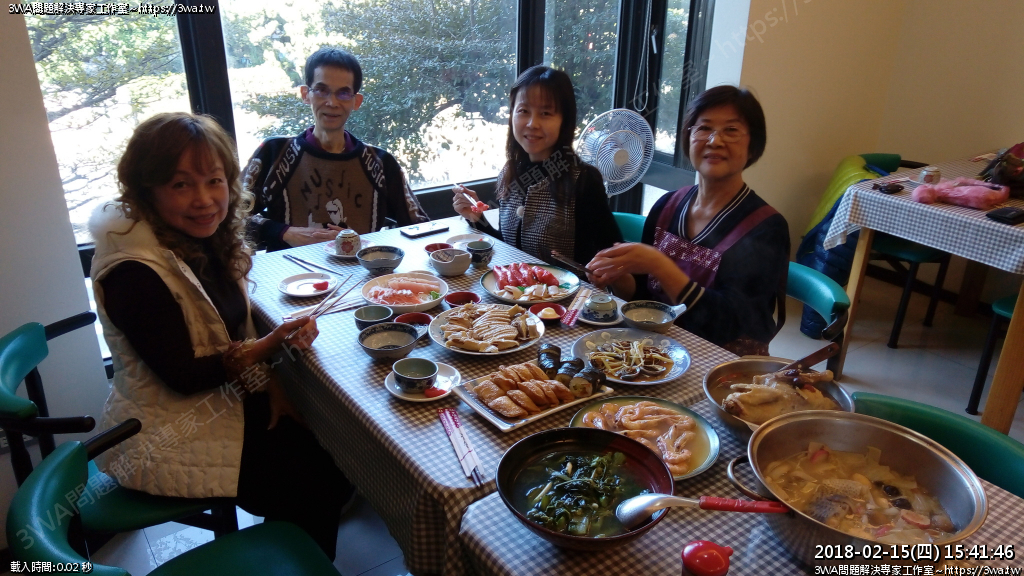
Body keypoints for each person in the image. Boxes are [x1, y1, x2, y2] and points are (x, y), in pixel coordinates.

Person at [89, 112, 350, 559]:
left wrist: (272, 382)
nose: (205, 200)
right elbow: (184, 376)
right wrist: (271, 344)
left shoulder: (203, 239)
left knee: (332, 442)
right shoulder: (134, 271)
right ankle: (292, 560)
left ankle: (287, 552)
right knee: (318, 476)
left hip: (223, 401)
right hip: (167, 430)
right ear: (146, 190)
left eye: (215, 180)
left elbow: (228, 333)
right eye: (180, 184)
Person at [587, 86, 789, 356]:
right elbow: (645, 299)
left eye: (731, 130)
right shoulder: (666, 206)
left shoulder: (765, 227)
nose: (715, 141)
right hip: (656, 350)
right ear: (688, 137)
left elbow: (731, 325)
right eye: (704, 128)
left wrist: (659, 265)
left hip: (722, 364)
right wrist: (618, 276)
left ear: (753, 144)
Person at [242, 47, 428, 251]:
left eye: (344, 93)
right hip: (287, 270)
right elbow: (229, 217)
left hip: (362, 270)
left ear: (356, 101)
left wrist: (367, 245)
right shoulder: (274, 154)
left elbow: (421, 228)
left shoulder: (381, 164)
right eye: (321, 90)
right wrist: (285, 232)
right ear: (305, 94)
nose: (332, 102)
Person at [452, 65, 622, 265]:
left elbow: (614, 254)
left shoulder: (583, 180)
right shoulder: (510, 172)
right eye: (523, 111)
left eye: (545, 113)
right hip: (513, 285)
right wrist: (477, 218)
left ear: (564, 120)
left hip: (568, 286)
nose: (532, 123)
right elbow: (510, 249)